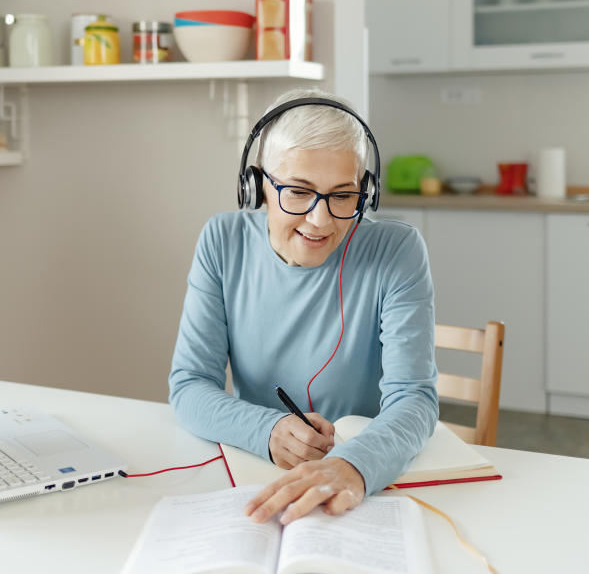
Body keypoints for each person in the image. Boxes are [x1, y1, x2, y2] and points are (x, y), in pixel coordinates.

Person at [168, 88, 437, 525]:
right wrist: (267, 430)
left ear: (365, 193)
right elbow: (190, 385)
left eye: (343, 195)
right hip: (256, 475)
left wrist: (353, 466)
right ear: (257, 187)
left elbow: (415, 399)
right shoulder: (222, 241)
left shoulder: (396, 250)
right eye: (298, 191)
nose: (321, 220)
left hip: (361, 485)